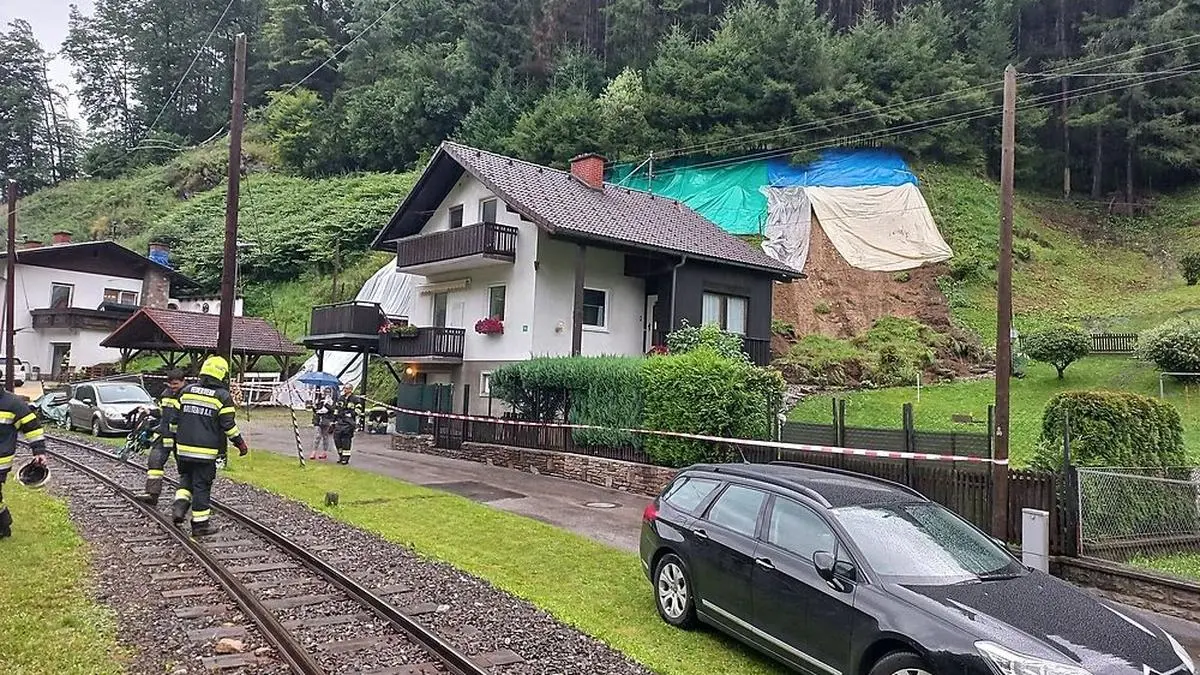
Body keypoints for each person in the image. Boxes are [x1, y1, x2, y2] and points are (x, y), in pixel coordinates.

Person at [160, 356, 248, 536]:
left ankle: (179, 507)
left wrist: (180, 439)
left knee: (186, 479)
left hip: (183, 450)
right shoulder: (222, 396)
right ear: (222, 375)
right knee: (201, 486)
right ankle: (200, 525)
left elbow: (173, 421)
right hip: (205, 453)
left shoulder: (186, 391)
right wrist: (240, 444)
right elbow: (228, 426)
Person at [0, 388, 47, 538]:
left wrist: (39, 451)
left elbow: (32, 427)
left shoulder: (13, 404)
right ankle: (3, 524)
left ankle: (3, 526)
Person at [135, 370, 185, 505]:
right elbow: (163, 412)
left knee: (185, 469)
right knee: (154, 462)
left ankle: (186, 499)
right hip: (163, 435)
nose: (173, 387)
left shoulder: (187, 395)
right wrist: (149, 411)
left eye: (176, 384)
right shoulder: (166, 394)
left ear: (183, 381)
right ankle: (152, 494)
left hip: (181, 438)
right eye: (171, 384)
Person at [332, 390, 360, 465]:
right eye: (344, 388)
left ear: (350, 389)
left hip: (349, 423)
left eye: (346, 388)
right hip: (340, 421)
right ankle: (340, 455)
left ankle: (345, 458)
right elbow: (336, 409)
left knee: (346, 440)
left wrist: (351, 414)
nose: (345, 390)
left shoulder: (355, 399)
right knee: (337, 439)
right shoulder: (341, 398)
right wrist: (334, 420)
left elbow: (358, 410)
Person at [309, 391, 333, 461]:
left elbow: (332, 410)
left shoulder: (331, 401)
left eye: (328, 393)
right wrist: (314, 406)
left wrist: (326, 404)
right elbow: (315, 410)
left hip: (326, 421)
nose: (325, 394)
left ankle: (324, 452)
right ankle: (314, 452)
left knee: (325, 436)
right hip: (318, 420)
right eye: (325, 392)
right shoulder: (318, 400)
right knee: (317, 435)